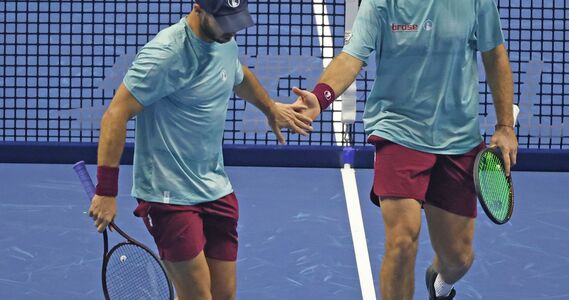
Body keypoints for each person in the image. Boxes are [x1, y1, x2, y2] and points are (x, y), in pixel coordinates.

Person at [86, 1, 313, 299]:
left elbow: (237, 74)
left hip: (214, 185)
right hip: (168, 194)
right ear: (199, 8)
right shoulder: (165, 55)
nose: (232, 30)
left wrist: (270, 108)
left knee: (223, 295)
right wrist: (106, 191)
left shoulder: (224, 40)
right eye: (224, 21)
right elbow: (115, 115)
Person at [291, 0, 518, 299]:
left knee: (458, 258)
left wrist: (505, 126)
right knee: (401, 242)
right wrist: (320, 98)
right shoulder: (381, 3)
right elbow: (351, 57)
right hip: (397, 129)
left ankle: (440, 283)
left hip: (458, 137)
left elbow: (495, 54)